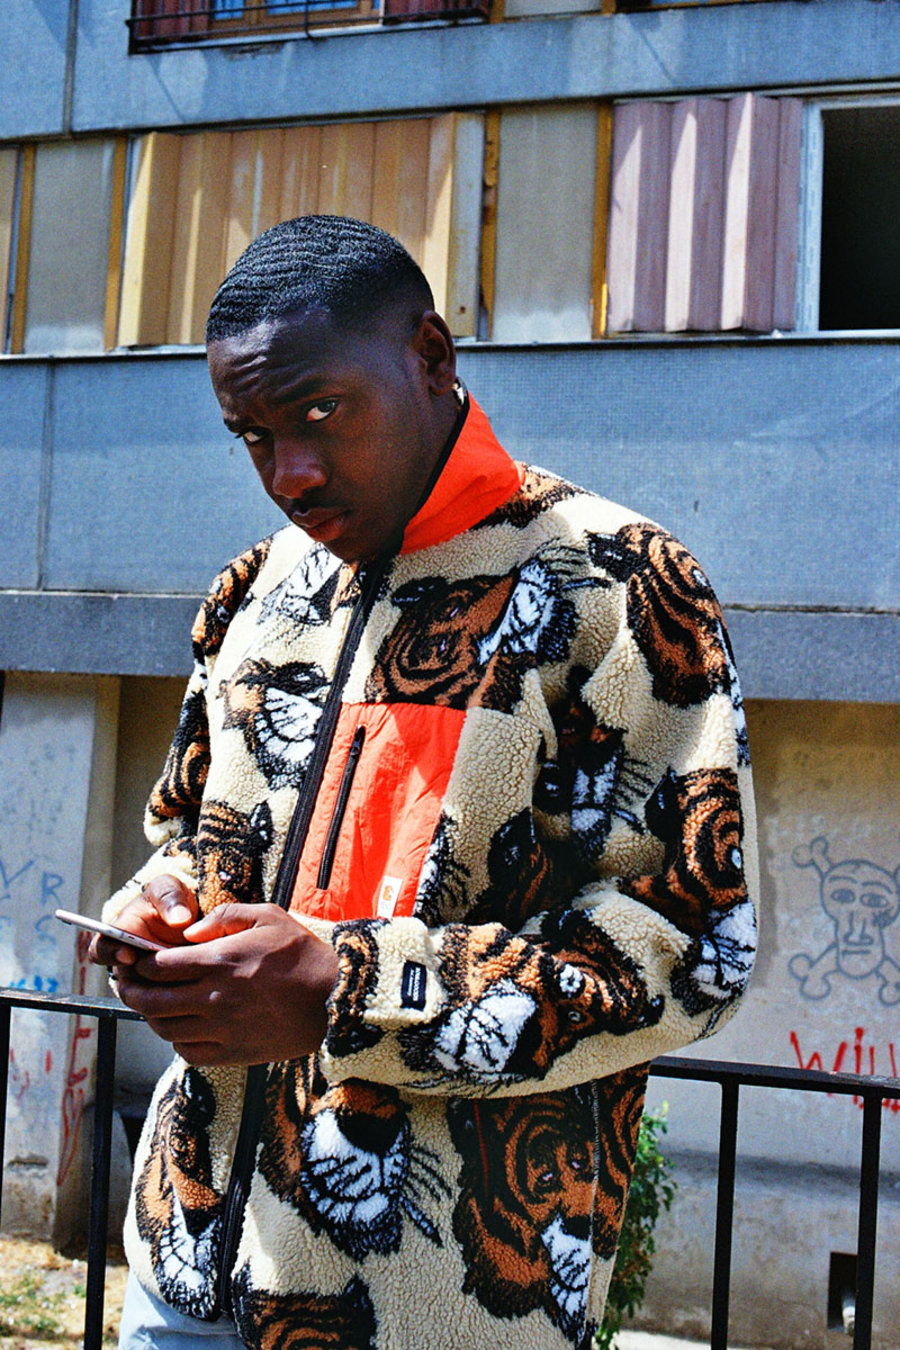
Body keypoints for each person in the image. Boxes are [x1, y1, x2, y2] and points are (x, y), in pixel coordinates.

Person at [89, 214, 758, 1350]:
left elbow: (694, 947)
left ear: (433, 357)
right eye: (251, 435)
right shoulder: (253, 591)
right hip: (184, 1267)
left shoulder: (618, 585)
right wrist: (158, 914)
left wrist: (347, 987)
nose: (290, 473)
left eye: (318, 411)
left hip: (444, 1307)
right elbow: (189, 837)